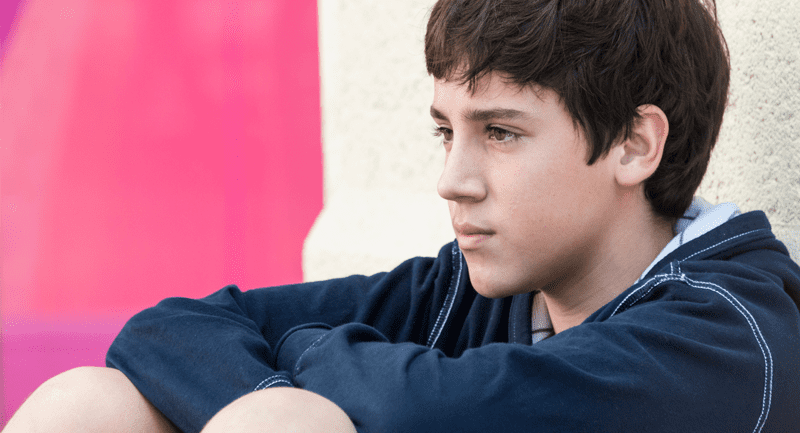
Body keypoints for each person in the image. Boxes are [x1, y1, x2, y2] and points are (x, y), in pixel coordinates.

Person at [5, 0, 800, 431]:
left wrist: (295, 374)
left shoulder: (733, 334)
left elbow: (430, 407)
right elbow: (163, 331)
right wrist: (296, 382)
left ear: (633, 142)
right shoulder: (473, 292)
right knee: (92, 401)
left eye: (499, 133)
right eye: (444, 131)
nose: (453, 179)